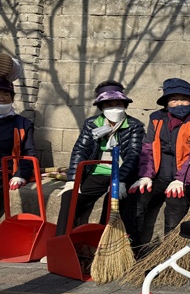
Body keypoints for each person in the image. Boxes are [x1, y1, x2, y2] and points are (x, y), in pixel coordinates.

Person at [56, 81, 144, 244]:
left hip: (120, 175)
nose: (114, 108)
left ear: (124, 105)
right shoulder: (92, 124)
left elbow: (133, 155)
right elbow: (80, 150)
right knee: (70, 197)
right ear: (101, 106)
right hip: (96, 173)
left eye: (118, 104)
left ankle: (103, 244)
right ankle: (62, 241)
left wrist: (121, 180)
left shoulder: (134, 126)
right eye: (109, 104)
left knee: (113, 200)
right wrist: (73, 180)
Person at [131, 78, 190, 246]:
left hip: (189, 178)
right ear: (166, 102)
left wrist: (181, 179)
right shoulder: (156, 118)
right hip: (160, 177)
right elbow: (148, 148)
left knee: (175, 201)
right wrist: (145, 175)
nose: (179, 103)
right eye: (174, 99)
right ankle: (133, 246)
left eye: (184, 99)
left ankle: (171, 249)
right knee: (137, 198)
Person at [0, 54, 36, 219]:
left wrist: (21, 174)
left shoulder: (23, 124)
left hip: (4, 175)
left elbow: (29, 154)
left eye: (6, 94)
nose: (2, 98)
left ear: (12, 98)